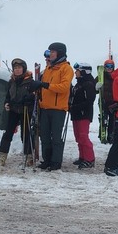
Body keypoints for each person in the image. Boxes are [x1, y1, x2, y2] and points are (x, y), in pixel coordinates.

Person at [38, 42, 74, 171]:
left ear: (60, 53)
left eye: (52, 51)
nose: (50, 54)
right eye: (50, 51)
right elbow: (43, 86)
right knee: (45, 136)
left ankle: (56, 162)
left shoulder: (66, 68)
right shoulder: (48, 68)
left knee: (56, 137)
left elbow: (64, 87)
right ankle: (46, 160)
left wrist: (45, 85)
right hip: (45, 107)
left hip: (58, 109)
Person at [0, 58, 40, 167]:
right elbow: (8, 95)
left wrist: (29, 98)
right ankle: (2, 155)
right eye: (15, 68)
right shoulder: (12, 81)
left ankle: (28, 156)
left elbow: (35, 96)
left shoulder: (30, 81)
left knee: (25, 134)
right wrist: (6, 102)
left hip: (25, 110)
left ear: (23, 69)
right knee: (8, 133)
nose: (17, 70)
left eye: (19, 68)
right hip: (13, 110)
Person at [70, 63, 96, 169]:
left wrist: (75, 107)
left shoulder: (88, 84)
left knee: (83, 136)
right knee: (78, 137)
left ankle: (89, 159)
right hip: (76, 114)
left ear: (84, 71)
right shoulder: (79, 84)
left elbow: (89, 101)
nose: (75, 72)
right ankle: (82, 157)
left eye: (78, 70)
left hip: (84, 114)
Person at [95, 59, 115, 144]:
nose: (109, 68)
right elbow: (93, 89)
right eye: (107, 66)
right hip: (104, 101)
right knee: (104, 119)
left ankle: (111, 136)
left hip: (114, 102)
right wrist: (96, 87)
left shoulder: (116, 76)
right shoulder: (101, 76)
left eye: (111, 66)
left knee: (113, 120)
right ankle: (102, 135)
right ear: (105, 67)